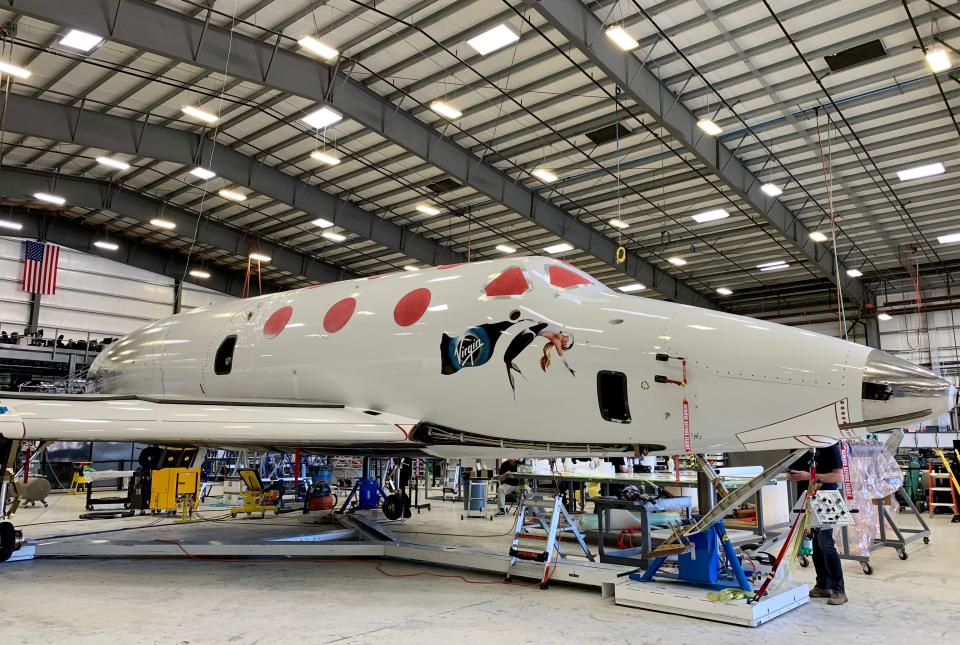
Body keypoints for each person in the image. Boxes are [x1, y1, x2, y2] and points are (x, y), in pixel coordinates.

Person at [787, 443, 847, 606]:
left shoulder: (829, 443)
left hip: (827, 498)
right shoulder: (798, 446)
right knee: (814, 543)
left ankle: (839, 590)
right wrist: (794, 476)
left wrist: (809, 476)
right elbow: (796, 472)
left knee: (826, 543)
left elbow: (838, 476)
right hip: (807, 499)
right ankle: (823, 585)